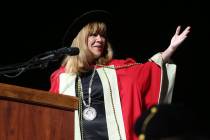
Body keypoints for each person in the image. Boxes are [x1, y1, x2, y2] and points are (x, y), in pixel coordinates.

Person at [49, 10, 191, 140]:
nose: (100, 39)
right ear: (80, 39)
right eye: (93, 35)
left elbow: (148, 70)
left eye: (103, 35)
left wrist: (170, 49)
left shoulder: (118, 69)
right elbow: (50, 116)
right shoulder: (61, 77)